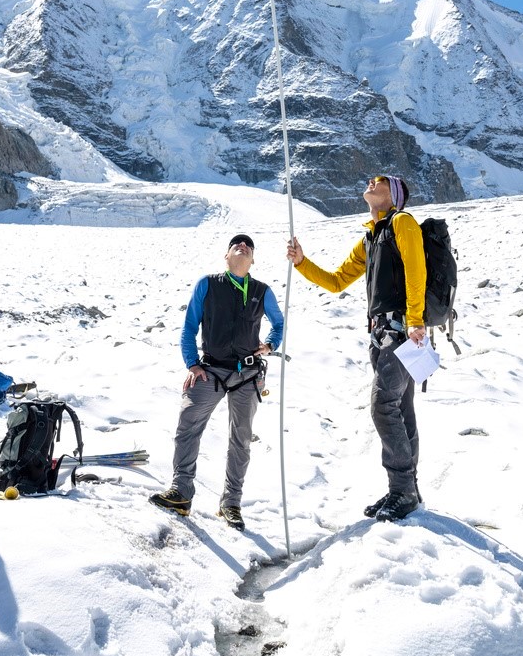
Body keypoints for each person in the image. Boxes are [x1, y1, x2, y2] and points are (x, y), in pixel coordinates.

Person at [287, 175, 426, 522]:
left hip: (401, 332)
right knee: (400, 407)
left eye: (378, 181)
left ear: (393, 194)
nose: (369, 183)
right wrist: (302, 263)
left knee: (383, 406)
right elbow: (336, 281)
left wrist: (415, 320)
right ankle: (405, 488)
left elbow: (416, 270)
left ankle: (403, 490)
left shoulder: (402, 222)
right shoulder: (370, 238)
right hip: (381, 335)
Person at [149, 233, 284, 530]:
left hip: (247, 375)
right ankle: (181, 492)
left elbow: (279, 322)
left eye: (248, 246)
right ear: (226, 256)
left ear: (252, 260)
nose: (243, 245)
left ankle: (231, 503)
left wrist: (271, 343)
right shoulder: (207, 284)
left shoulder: (262, 291)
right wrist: (192, 364)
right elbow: (189, 326)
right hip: (210, 370)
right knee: (188, 423)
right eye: (237, 243)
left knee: (241, 439)